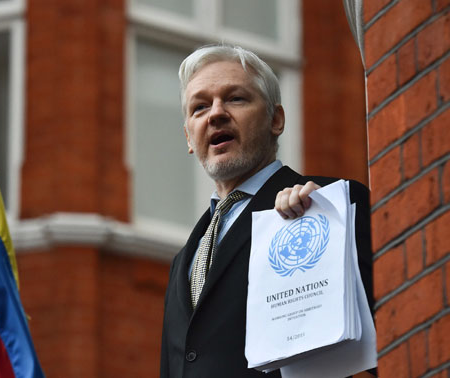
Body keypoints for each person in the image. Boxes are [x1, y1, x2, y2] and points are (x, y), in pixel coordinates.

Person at [159, 44, 374, 378]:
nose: (215, 113)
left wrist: (328, 219)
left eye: (235, 99)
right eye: (200, 107)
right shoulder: (185, 259)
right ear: (189, 136)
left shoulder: (330, 203)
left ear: (276, 119)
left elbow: (387, 338)